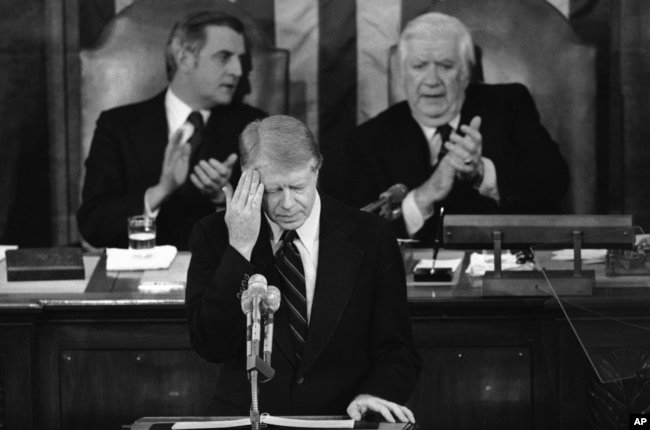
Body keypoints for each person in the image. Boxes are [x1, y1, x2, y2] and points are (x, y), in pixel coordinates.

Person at [185, 115, 421, 422]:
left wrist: (374, 394)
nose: (287, 203)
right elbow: (210, 345)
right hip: (251, 418)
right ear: (247, 178)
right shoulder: (214, 235)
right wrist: (239, 249)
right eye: (272, 190)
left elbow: (397, 349)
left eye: (297, 187)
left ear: (316, 168)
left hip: (341, 418)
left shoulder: (371, 236)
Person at [345, 12, 570, 244]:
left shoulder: (509, 105)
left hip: (506, 263)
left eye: (446, 66)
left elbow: (554, 182)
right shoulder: (368, 140)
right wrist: (423, 197)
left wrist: (483, 173)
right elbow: (353, 233)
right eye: (419, 66)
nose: (432, 80)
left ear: (465, 73)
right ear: (403, 74)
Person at [77, 11, 266, 250]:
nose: (238, 70)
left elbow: (278, 222)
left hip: (221, 277)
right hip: (135, 276)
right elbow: (93, 226)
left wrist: (224, 197)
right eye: (224, 57)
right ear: (184, 59)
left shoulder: (255, 126)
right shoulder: (118, 126)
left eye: (240, 59)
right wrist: (160, 192)